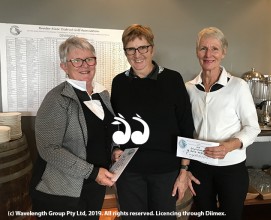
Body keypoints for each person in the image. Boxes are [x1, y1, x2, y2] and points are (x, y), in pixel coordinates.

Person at [111, 24, 199, 219]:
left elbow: (186, 127)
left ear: (152, 48)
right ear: (125, 52)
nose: (137, 54)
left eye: (143, 47)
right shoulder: (119, 83)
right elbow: (116, 124)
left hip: (166, 172)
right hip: (130, 173)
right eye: (131, 49)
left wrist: (184, 170)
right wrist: (115, 148)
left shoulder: (172, 80)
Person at [29, 36, 116, 220]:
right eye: (76, 60)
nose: (85, 65)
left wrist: (115, 150)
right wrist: (92, 172)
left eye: (89, 59)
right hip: (62, 193)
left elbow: (106, 132)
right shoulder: (57, 99)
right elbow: (49, 149)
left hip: (95, 186)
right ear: (64, 66)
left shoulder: (103, 94)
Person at [185, 27, 261, 220]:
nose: (208, 54)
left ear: (223, 52)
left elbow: (253, 127)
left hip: (231, 168)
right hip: (199, 166)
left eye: (214, 49)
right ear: (196, 52)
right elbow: (184, 128)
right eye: (203, 48)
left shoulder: (238, 86)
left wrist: (230, 145)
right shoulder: (188, 88)